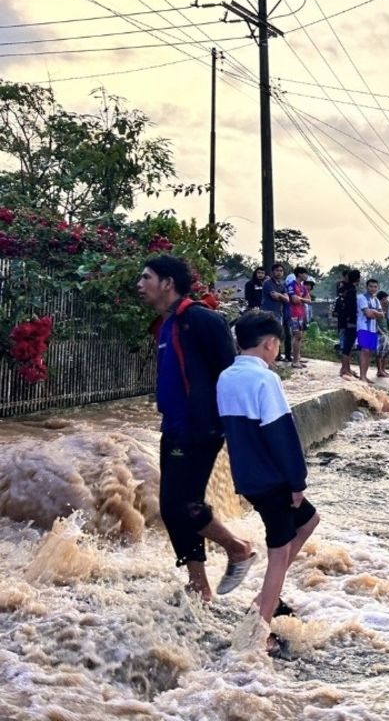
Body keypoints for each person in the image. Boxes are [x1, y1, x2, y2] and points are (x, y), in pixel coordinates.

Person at [137, 254, 255, 601]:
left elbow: (229, 372)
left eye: (146, 278)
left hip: (199, 429)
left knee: (181, 506)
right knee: (173, 509)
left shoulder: (200, 319)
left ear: (167, 283)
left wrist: (235, 428)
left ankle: (237, 548)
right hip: (174, 427)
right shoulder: (167, 324)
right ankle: (198, 585)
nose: (139, 285)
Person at [217, 310, 320, 646]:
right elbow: (281, 434)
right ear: (271, 344)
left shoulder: (226, 377)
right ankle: (258, 628)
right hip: (273, 478)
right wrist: (296, 481)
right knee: (279, 552)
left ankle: (266, 598)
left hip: (247, 477)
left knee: (309, 520)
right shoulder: (265, 379)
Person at [260, 263, 292, 365]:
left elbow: (287, 299)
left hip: (278, 313)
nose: (279, 273)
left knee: (277, 336)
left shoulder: (282, 285)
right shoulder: (267, 283)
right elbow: (274, 296)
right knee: (267, 335)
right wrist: (281, 295)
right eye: (277, 270)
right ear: (273, 272)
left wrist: (280, 295)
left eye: (281, 271)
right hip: (267, 313)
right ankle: (267, 359)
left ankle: (275, 357)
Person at [356, 279, 385, 384]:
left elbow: (382, 315)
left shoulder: (376, 300)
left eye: (375, 287)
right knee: (365, 351)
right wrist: (376, 312)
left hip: (372, 329)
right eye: (371, 286)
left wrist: (374, 312)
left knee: (369, 353)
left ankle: (365, 375)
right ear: (367, 287)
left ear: (377, 288)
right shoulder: (361, 298)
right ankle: (362, 376)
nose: (373, 288)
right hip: (363, 327)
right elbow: (368, 314)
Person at [334, 270, 360, 379]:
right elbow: (351, 307)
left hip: (343, 321)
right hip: (350, 322)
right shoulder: (351, 290)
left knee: (347, 346)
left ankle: (347, 368)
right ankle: (344, 369)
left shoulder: (343, 289)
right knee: (347, 346)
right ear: (358, 279)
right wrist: (351, 321)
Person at [287, 267, 311, 368]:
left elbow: (309, 300)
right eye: (305, 274)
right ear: (300, 274)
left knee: (299, 336)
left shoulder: (302, 287)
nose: (306, 276)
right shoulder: (291, 285)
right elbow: (294, 300)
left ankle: (297, 357)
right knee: (297, 336)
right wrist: (302, 299)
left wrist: (300, 299)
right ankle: (295, 360)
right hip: (293, 313)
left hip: (301, 313)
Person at [374, 291, 389, 379]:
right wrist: (379, 331)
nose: (388, 300)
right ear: (383, 299)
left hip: (385, 332)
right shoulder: (377, 308)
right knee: (380, 353)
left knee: (388, 352)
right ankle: (379, 371)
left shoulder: (384, 308)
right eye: (386, 298)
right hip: (380, 333)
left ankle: (383, 369)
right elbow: (374, 321)